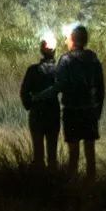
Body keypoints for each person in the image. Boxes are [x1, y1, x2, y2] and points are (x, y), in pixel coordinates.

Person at [55, 23, 104, 178]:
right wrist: (98, 111)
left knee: (73, 154)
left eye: (67, 38)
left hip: (72, 111)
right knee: (90, 153)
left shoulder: (65, 60)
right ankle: (91, 185)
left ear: (73, 40)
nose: (65, 42)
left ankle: (72, 186)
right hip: (89, 111)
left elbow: (59, 85)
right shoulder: (93, 59)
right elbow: (100, 88)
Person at [19, 38, 62, 167]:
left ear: (41, 50)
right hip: (53, 113)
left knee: (38, 154)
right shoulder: (59, 70)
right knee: (52, 154)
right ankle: (53, 181)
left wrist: (30, 104)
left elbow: (24, 92)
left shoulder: (33, 70)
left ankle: (38, 180)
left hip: (37, 113)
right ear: (54, 51)